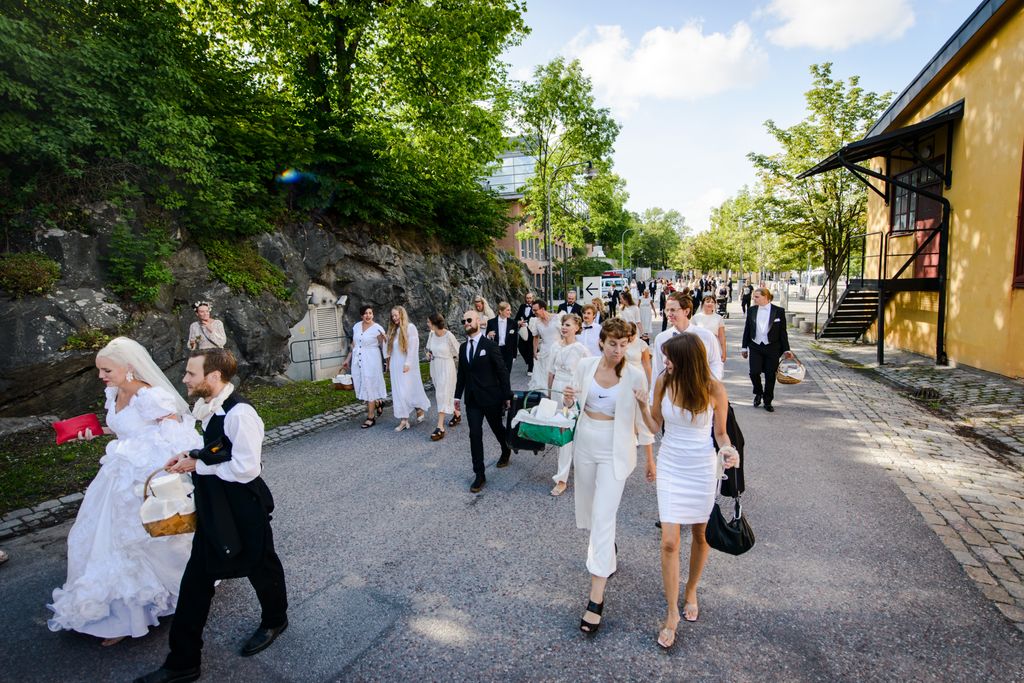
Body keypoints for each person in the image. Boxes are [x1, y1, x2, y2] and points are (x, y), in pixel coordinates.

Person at [136, 349, 288, 683]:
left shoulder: (240, 413)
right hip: (215, 505)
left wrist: (198, 464)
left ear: (214, 377)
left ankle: (275, 620)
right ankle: (183, 662)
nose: (185, 379)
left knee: (262, 565)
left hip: (243, 505)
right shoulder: (210, 407)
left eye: (191, 373)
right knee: (196, 581)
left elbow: (247, 468)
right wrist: (190, 454)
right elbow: (220, 448)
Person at [48, 337, 202, 646]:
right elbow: (125, 428)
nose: (101, 376)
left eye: (107, 370)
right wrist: (94, 432)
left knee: (140, 541)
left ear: (129, 367)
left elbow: (176, 436)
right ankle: (114, 612)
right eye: (99, 370)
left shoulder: (151, 396)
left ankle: (137, 611)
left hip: (143, 475)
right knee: (102, 538)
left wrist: (162, 468)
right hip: (116, 474)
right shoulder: (114, 392)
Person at [640, 334, 739, 649]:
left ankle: (691, 589)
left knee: (701, 534)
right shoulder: (663, 382)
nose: (665, 362)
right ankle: (672, 612)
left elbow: (721, 433)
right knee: (669, 542)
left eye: (669, 357)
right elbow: (654, 426)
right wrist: (642, 406)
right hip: (671, 464)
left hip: (701, 468)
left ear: (687, 360)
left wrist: (728, 450)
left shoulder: (714, 389)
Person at [561, 318, 648, 635]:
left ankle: (595, 598)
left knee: (602, 516)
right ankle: (608, 549)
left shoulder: (635, 375)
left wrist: (650, 460)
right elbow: (571, 406)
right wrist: (567, 400)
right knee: (589, 511)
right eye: (613, 344)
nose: (618, 350)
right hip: (586, 443)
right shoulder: (586, 366)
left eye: (624, 345)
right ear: (601, 342)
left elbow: (646, 423)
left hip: (616, 448)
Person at [454, 310, 511, 493]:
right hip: (472, 400)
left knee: (497, 428)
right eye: (463, 321)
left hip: (491, 397)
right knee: (474, 434)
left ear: (478, 321)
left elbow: (502, 371)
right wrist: (457, 396)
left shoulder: (489, 345)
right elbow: (462, 374)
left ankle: (506, 449)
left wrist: (507, 395)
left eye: (469, 320)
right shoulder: (463, 347)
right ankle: (479, 474)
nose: (466, 323)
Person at [548, 314, 590, 497]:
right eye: (563, 324)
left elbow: (590, 372)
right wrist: (549, 394)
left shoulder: (581, 349)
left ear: (577, 328)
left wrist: (582, 393)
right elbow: (551, 371)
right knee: (561, 433)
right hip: (557, 390)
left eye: (568, 325)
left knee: (574, 432)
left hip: (572, 392)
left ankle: (571, 474)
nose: (564, 327)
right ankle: (562, 477)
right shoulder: (555, 346)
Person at [652, 293, 724, 397]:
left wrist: (710, 385)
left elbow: (716, 363)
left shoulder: (706, 336)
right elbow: (657, 371)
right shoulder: (661, 338)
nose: (669, 314)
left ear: (686, 311)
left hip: (700, 395)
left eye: (673, 310)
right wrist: (654, 398)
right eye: (667, 310)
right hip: (671, 396)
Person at [740, 287, 793, 413]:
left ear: (766, 297)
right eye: (754, 296)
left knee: (770, 375)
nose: (754, 299)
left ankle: (768, 401)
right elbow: (747, 329)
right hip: (755, 345)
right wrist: (744, 347)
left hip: (772, 347)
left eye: (757, 297)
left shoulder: (779, 311)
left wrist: (787, 349)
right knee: (754, 372)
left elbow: (783, 332)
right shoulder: (751, 310)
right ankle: (758, 392)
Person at [341, 305, 387, 429]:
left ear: (373, 314)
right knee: (362, 383)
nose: (368, 315)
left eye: (370, 313)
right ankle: (378, 402)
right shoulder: (356, 326)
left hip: (372, 360)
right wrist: (348, 359)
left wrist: (387, 361)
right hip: (358, 361)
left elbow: (384, 345)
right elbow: (354, 344)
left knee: (369, 385)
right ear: (362, 315)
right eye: (365, 313)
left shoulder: (377, 328)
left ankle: (371, 417)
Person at [386, 306, 430, 431]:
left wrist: (408, 363)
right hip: (395, 365)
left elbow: (413, 348)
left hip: (406, 365)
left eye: (396, 315)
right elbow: (389, 349)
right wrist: (388, 362)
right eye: (392, 316)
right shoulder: (393, 330)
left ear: (402, 314)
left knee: (409, 390)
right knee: (399, 392)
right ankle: (404, 420)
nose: (394, 318)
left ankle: (418, 408)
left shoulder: (410, 328)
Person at [624, 322, 655, 471]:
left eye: (630, 335)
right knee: (627, 406)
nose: (628, 338)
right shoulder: (622, 343)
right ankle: (630, 434)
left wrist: (650, 383)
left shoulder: (642, 344)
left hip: (638, 377)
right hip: (624, 376)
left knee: (640, 408)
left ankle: (639, 434)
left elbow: (647, 365)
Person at [425, 313, 461, 441]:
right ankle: (457, 414)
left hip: (447, 367)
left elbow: (458, 351)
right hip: (435, 367)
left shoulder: (448, 335)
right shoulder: (431, 335)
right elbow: (429, 350)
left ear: (434, 323)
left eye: (429, 322)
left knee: (442, 394)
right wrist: (429, 355)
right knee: (444, 394)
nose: (427, 324)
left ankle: (440, 427)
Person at [527, 300, 562, 392]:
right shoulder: (536, 322)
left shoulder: (557, 318)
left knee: (557, 374)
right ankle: (546, 393)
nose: (533, 312)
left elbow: (564, 335)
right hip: (544, 352)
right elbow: (536, 337)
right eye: (533, 310)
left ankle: (556, 392)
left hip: (558, 350)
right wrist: (535, 351)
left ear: (542, 309)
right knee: (544, 375)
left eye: (535, 310)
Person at [485, 301, 518, 382]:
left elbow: (515, 340)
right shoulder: (491, 322)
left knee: (506, 375)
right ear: (500, 311)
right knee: (495, 374)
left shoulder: (513, 323)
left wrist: (514, 355)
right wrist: (488, 335)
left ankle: (505, 389)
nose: (510, 312)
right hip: (496, 351)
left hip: (508, 352)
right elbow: (486, 339)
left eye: (510, 310)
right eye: (508, 310)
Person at [692, 295, 727, 364]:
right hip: (699, 347)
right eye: (708, 302)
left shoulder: (718, 318)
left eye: (712, 302)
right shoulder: (696, 318)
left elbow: (722, 337)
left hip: (714, 347)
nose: (710, 304)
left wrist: (724, 352)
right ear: (703, 304)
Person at [514, 292, 536, 377]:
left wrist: (528, 324)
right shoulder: (522, 306)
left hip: (532, 331)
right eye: (527, 298)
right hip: (523, 331)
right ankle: (529, 361)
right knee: (521, 347)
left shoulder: (535, 306)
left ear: (533, 298)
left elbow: (537, 318)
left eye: (530, 298)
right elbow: (516, 318)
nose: (528, 299)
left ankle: (530, 368)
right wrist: (519, 322)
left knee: (530, 349)